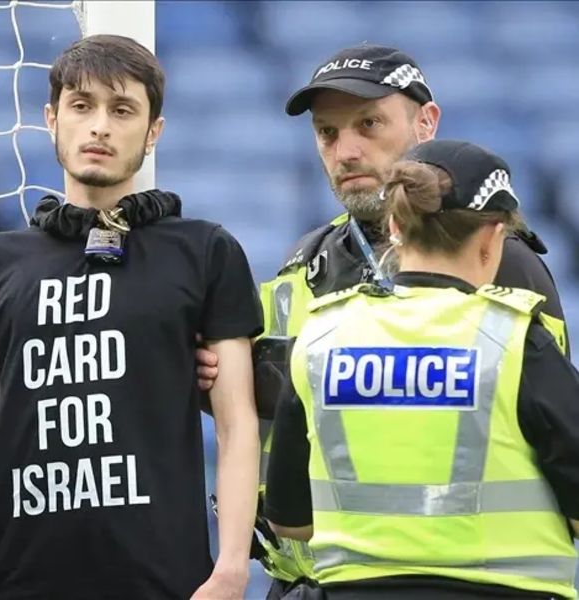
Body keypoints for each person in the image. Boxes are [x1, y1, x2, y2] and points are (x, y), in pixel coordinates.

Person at [195, 44, 571, 594]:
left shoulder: (503, 262)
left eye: (369, 124)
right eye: (327, 133)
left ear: (427, 122)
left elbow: (549, 434)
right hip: (303, 583)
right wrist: (223, 382)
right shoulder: (302, 262)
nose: (346, 151)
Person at [0, 34, 262, 599]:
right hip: (12, 581)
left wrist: (233, 565)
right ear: (51, 118)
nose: (100, 127)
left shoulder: (204, 250)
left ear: (153, 131)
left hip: (162, 581)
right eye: (82, 106)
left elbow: (237, 421)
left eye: (122, 111)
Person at [266, 139, 579, 599]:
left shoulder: (321, 337)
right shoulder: (514, 339)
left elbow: (289, 521)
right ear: (494, 239)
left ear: (394, 226)